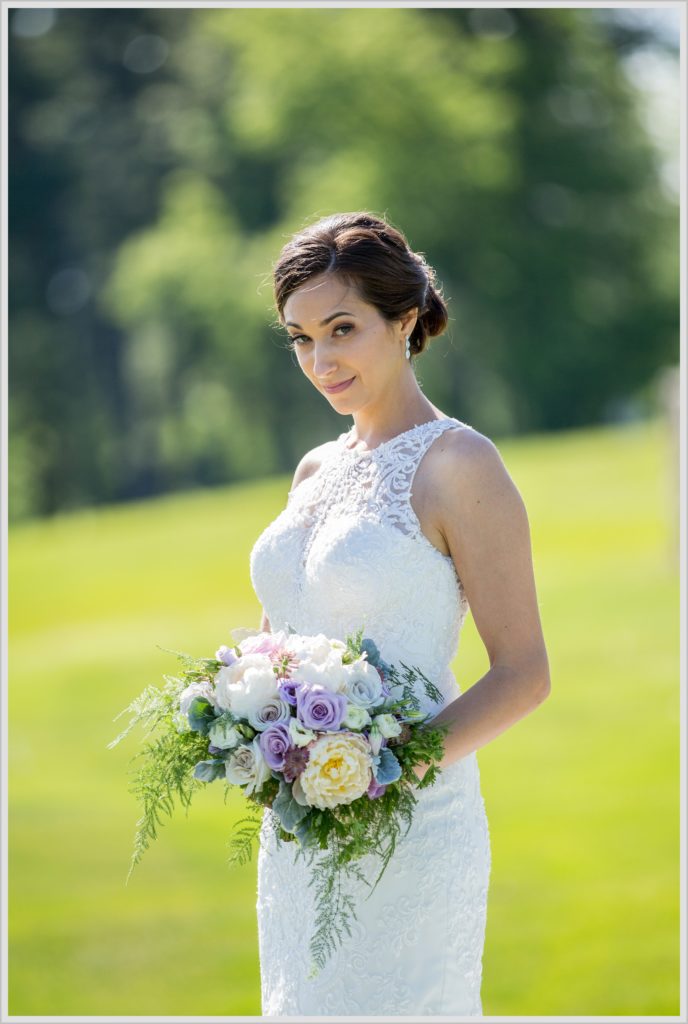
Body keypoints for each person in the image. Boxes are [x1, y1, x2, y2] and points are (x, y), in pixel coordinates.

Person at [249, 211, 551, 1016]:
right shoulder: (314, 468)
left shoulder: (459, 465)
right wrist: (251, 714)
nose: (320, 359)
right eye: (301, 337)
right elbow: (293, 630)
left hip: (409, 826)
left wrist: (380, 778)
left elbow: (524, 673)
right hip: (299, 830)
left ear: (405, 320)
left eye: (342, 328)